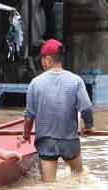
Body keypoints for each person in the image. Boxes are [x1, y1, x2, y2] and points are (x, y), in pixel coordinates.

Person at [21, 39, 94, 182]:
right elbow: (86, 108)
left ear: (48, 60)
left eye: (42, 59)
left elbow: (29, 117)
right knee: (80, 178)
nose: (42, 62)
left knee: (49, 187)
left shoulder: (35, 83)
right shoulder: (76, 80)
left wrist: (26, 135)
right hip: (70, 141)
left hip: (47, 143)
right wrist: (89, 126)